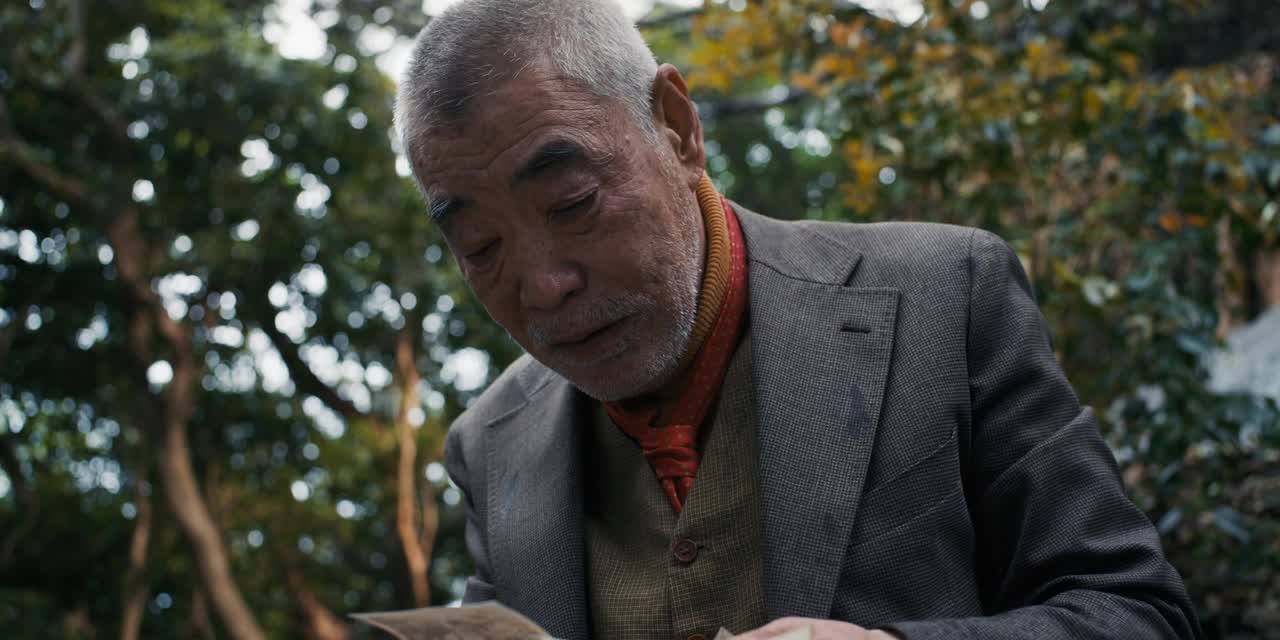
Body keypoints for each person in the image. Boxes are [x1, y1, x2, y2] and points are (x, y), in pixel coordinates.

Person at [394, 1, 1201, 638]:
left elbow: (1138, 613)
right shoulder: (491, 446)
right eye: (481, 248)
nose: (544, 287)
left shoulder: (945, 297)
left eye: (573, 203)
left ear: (677, 127)